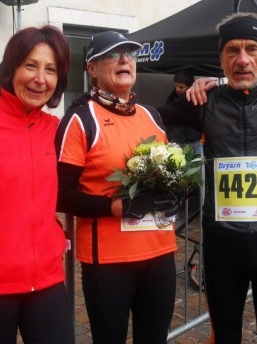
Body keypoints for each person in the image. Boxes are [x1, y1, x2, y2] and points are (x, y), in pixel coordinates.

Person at [159, 13, 257, 343]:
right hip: (223, 243)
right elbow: (149, 121)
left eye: (252, 49)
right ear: (220, 59)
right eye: (232, 50)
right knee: (224, 336)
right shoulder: (204, 102)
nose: (242, 60)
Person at [0, 25, 74, 344]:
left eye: (51, 70)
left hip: (45, 280)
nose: (40, 78)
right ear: (11, 69)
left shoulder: (58, 130)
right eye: (30, 65)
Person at [55, 31, 178, 344]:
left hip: (159, 254)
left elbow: (168, 177)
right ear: (92, 69)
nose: (125, 59)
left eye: (130, 54)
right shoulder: (81, 119)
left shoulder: (152, 116)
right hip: (108, 262)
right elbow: (61, 194)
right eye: (114, 54)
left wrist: (176, 194)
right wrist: (112, 207)